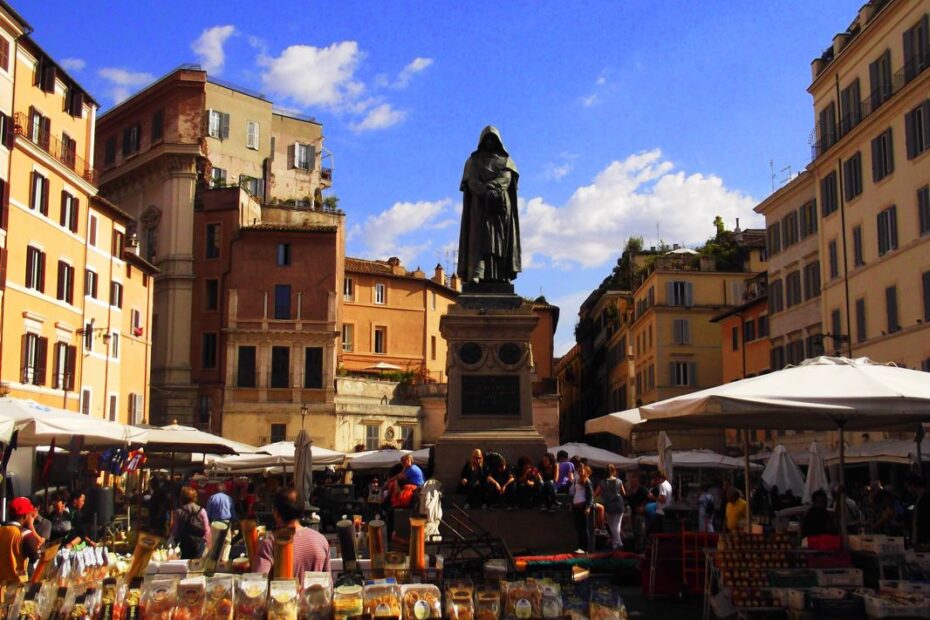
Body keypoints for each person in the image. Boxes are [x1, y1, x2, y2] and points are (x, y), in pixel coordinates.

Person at [457, 125, 521, 284]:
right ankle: (477, 272)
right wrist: (485, 191)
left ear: (498, 141)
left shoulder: (507, 161)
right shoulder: (472, 161)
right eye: (487, 139)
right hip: (479, 205)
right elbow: (471, 181)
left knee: (499, 241)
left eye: (493, 139)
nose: (490, 142)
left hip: (500, 206)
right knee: (478, 239)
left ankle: (501, 275)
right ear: (482, 141)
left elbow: (506, 178)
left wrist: (491, 189)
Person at [255, 489, 330, 581]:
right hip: (316, 591)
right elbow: (328, 584)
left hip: (282, 591)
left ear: (276, 512)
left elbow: (257, 584)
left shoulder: (271, 543)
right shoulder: (321, 540)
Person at [0, 498, 42, 584]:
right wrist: (31, 526)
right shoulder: (25, 534)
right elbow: (36, 557)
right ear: (26, 515)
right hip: (16, 585)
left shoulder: (1, 530)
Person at [172, 486, 210, 559]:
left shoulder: (179, 512)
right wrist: (206, 541)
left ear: (182, 497)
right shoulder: (202, 511)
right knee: (196, 563)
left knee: (183, 562)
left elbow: (175, 529)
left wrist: (173, 538)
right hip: (199, 543)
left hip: (184, 543)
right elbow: (206, 528)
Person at [595, 464, 626, 550]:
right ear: (614, 471)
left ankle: (616, 544)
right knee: (617, 524)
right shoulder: (619, 481)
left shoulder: (602, 482)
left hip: (609, 505)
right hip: (619, 504)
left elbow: (596, 493)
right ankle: (618, 543)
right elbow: (624, 493)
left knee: (611, 525)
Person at [571, 465, 594, 554]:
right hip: (576, 506)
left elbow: (590, 495)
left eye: (582, 471)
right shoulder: (576, 480)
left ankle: (585, 548)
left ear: (585, 472)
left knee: (584, 528)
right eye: (579, 471)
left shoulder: (587, 481)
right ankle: (580, 547)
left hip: (583, 506)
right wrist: (572, 504)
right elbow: (575, 493)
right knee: (579, 528)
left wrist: (588, 507)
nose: (580, 473)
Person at [905, 473, 929, 550]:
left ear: (912, 485)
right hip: (916, 538)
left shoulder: (926, 499)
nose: (907, 489)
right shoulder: (914, 499)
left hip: (925, 539)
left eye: (907, 486)